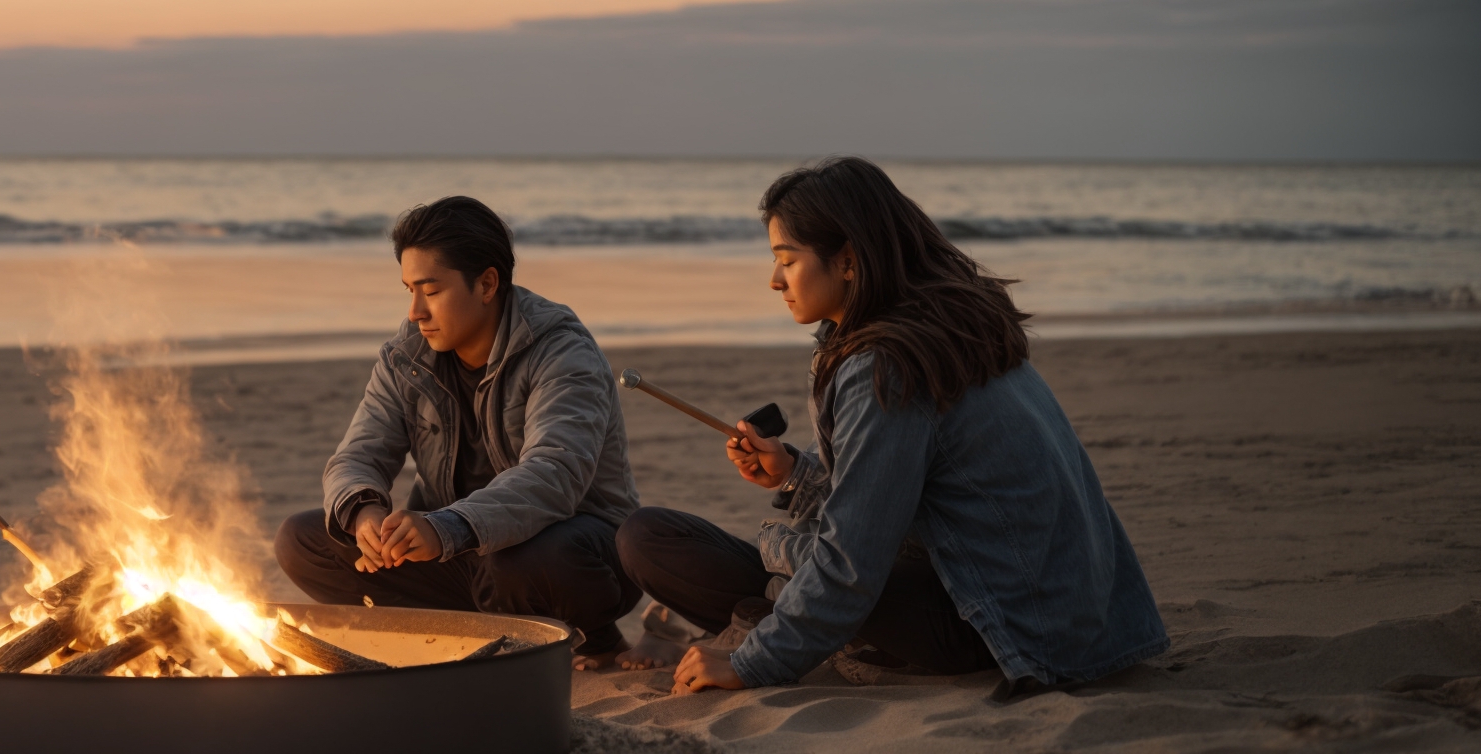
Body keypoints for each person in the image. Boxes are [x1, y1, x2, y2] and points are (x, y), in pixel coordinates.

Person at [616, 157, 1167, 696]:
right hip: (1058, 607)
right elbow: (896, 495)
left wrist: (753, 662)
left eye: (787, 259)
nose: (774, 280)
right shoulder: (949, 327)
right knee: (648, 537)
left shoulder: (887, 363)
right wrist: (794, 476)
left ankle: (776, 618)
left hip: (999, 623)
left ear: (849, 260)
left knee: (806, 562)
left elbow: (855, 558)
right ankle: (785, 608)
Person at [275, 195, 644, 666]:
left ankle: (591, 635)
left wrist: (445, 527)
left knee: (522, 561)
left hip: (572, 553)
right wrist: (364, 515)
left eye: (430, 290)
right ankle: (477, 633)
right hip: (455, 554)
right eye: (408, 289)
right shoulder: (405, 357)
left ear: (487, 283)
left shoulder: (562, 353)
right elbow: (357, 456)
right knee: (303, 540)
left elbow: (555, 474)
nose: (415, 311)